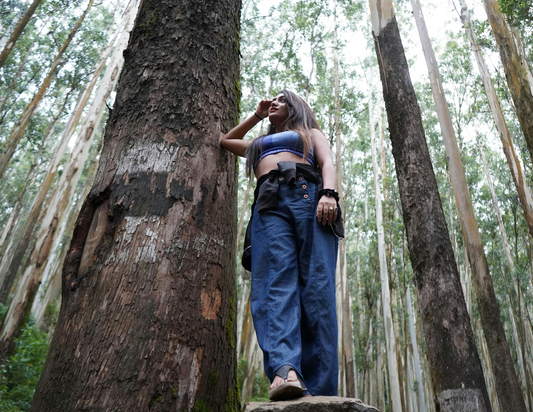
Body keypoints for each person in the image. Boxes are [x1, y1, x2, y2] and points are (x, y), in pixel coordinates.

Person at [220, 90, 343, 401]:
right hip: (269, 203)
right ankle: (285, 371)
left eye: (281, 99)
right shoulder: (259, 144)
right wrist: (257, 116)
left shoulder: (309, 132)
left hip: (309, 197)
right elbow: (226, 141)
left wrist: (329, 194)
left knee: (317, 286)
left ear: (296, 107)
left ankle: (321, 388)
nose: (273, 102)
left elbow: (327, 162)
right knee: (275, 284)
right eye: (271, 99)